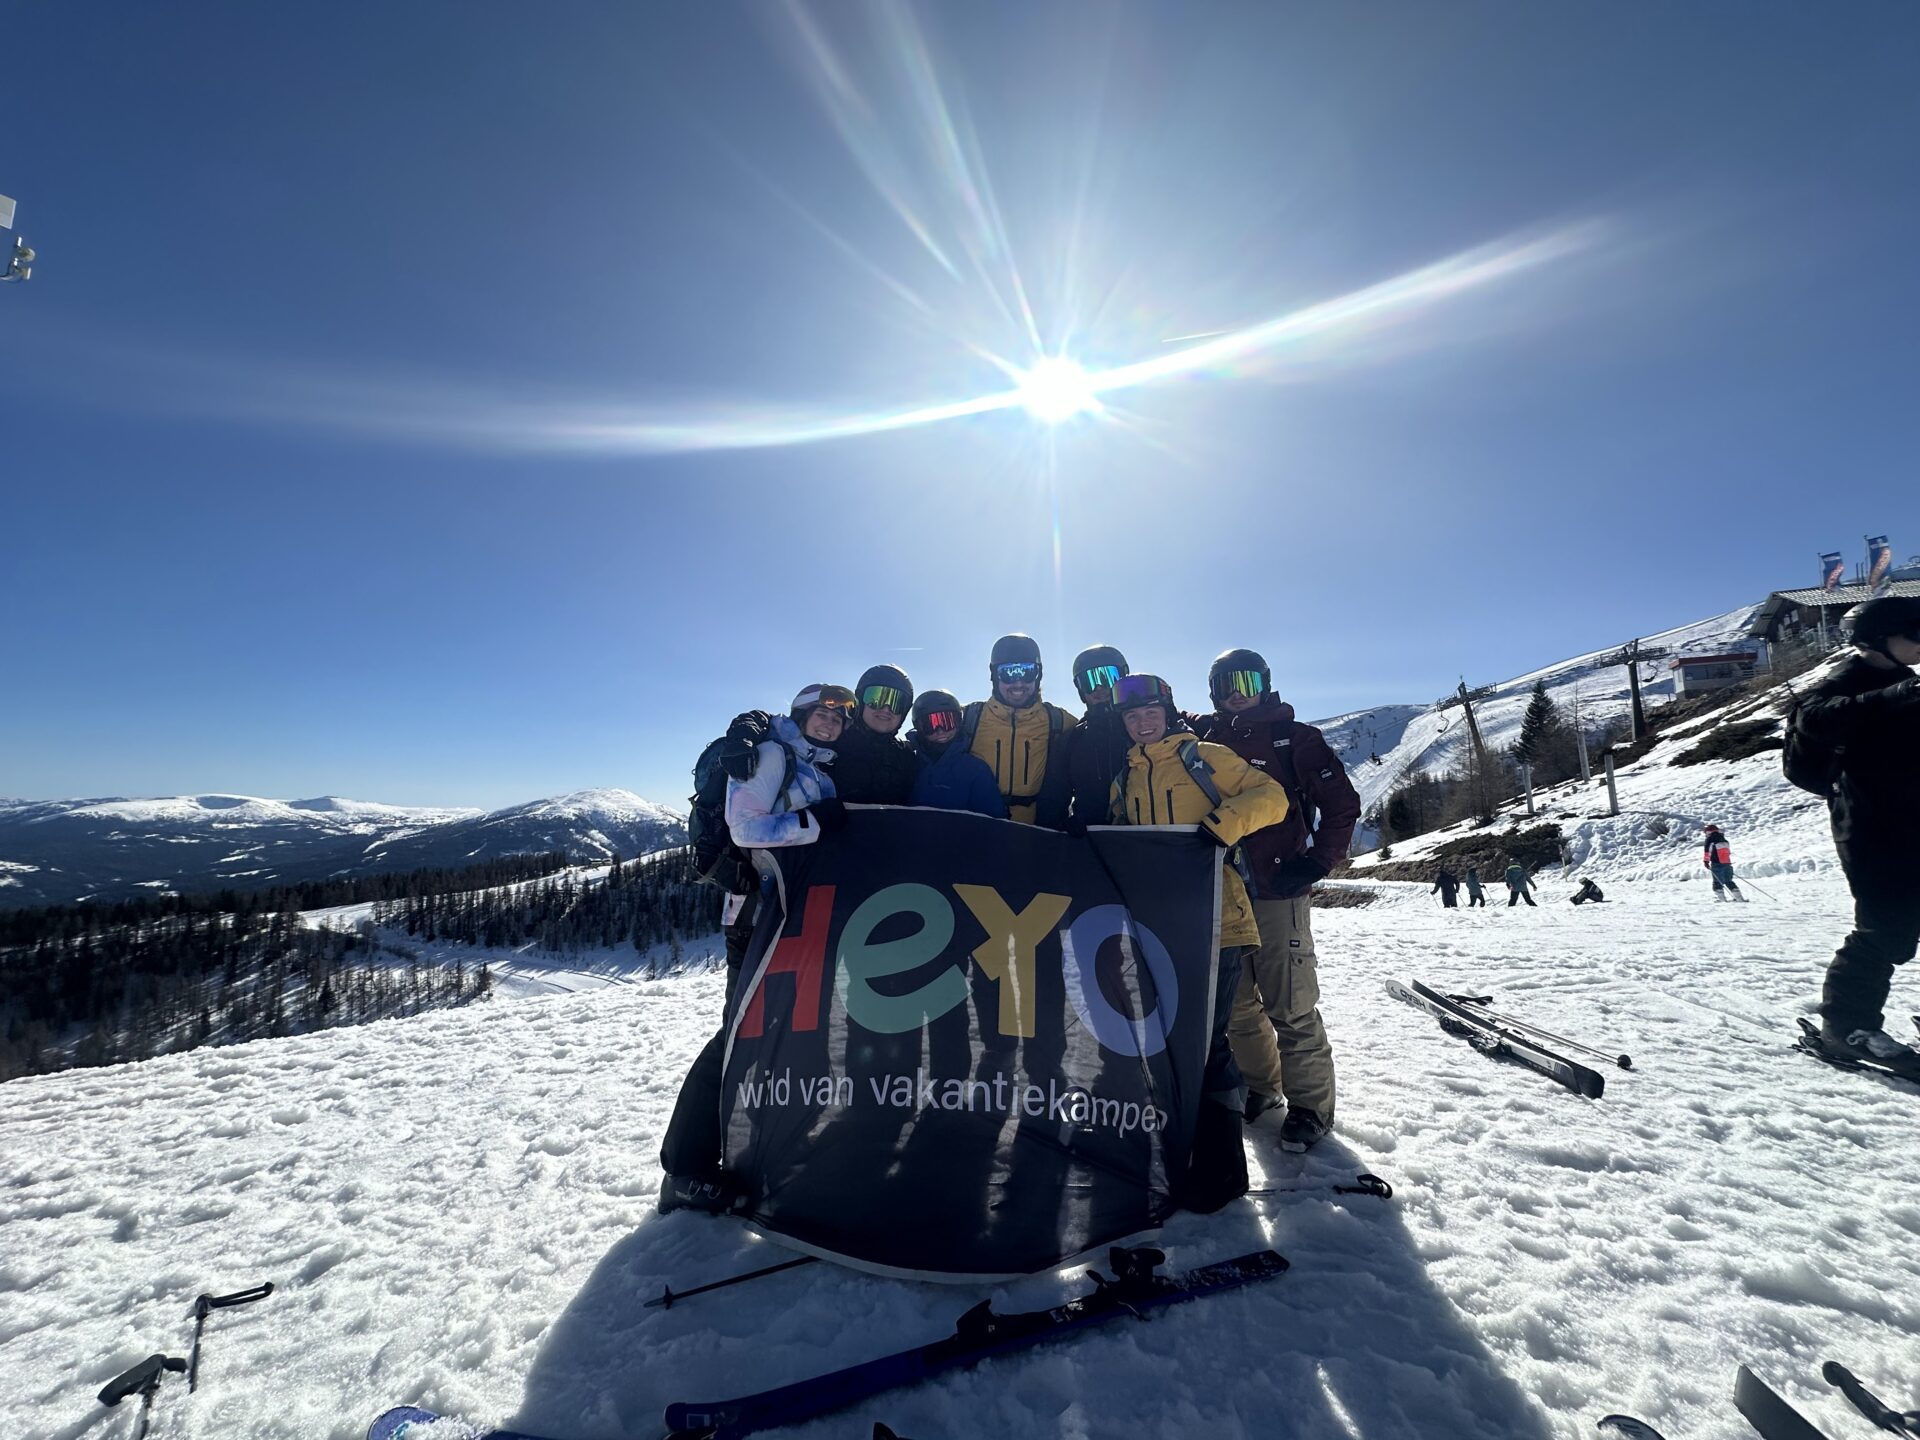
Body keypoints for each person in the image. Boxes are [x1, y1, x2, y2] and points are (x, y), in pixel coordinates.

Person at [657, 682, 857, 1214]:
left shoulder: (811, 765)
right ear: (800, 714)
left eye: (838, 720)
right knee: (738, 1033)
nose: (830, 724)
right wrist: (816, 822)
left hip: (793, 920)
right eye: (821, 714)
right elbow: (746, 830)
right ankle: (685, 1168)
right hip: (755, 919)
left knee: (780, 1032)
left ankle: (754, 1148)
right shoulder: (771, 754)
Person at [1108, 673, 1291, 1208]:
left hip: (1219, 921)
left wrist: (1224, 822)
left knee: (1208, 1043)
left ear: (1168, 712)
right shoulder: (1126, 775)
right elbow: (1123, 839)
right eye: (1133, 717)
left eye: (1152, 713)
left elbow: (1272, 797)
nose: (1144, 723)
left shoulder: (1205, 757)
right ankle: (1177, 1153)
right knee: (1165, 1041)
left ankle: (1223, 1170)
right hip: (1159, 926)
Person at [1189, 647, 1361, 1151]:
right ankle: (1262, 1088)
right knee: (1238, 1004)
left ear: (1264, 683)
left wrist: (1316, 862)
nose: (1236, 692)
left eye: (1246, 681)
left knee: (1291, 1005)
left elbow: (1342, 805)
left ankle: (1310, 1106)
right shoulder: (1206, 739)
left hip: (1278, 887)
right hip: (1223, 892)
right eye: (1225, 684)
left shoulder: (1296, 739)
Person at [1791, 595, 1920, 1076]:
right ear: (1881, 638)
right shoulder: (1848, 681)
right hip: (1870, 828)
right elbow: (1814, 718)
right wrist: (1888, 699)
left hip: (1911, 821)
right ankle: (1846, 1028)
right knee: (1885, 930)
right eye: (1916, 633)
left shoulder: (1907, 683)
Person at [962, 634, 1076, 828]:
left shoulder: (1058, 721)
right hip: (978, 830)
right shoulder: (969, 718)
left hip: (1035, 834)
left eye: (1027, 672)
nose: (1018, 683)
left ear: (1039, 675)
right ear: (993, 675)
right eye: (1008, 673)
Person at [830, 664, 920, 805]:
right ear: (860, 701)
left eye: (896, 703)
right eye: (875, 699)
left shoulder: (907, 759)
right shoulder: (831, 748)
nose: (886, 709)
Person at [907, 689, 1006, 818]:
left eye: (947, 722)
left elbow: (994, 822)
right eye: (929, 724)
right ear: (918, 728)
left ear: (959, 723)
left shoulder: (975, 770)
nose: (940, 731)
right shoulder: (907, 762)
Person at [1064, 644, 1133, 831]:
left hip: (1142, 838)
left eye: (1108, 678)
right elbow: (1054, 795)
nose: (1099, 688)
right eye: (1089, 682)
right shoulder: (1074, 739)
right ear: (1080, 691)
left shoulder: (1143, 728)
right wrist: (1059, 829)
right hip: (1090, 841)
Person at [1701, 823, 1745, 902]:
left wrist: (1706, 861)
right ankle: (1739, 898)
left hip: (1716, 863)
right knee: (1728, 881)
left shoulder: (1710, 839)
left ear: (1708, 832)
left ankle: (1722, 900)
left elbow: (1707, 851)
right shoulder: (1724, 839)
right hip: (1727, 863)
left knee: (1717, 882)